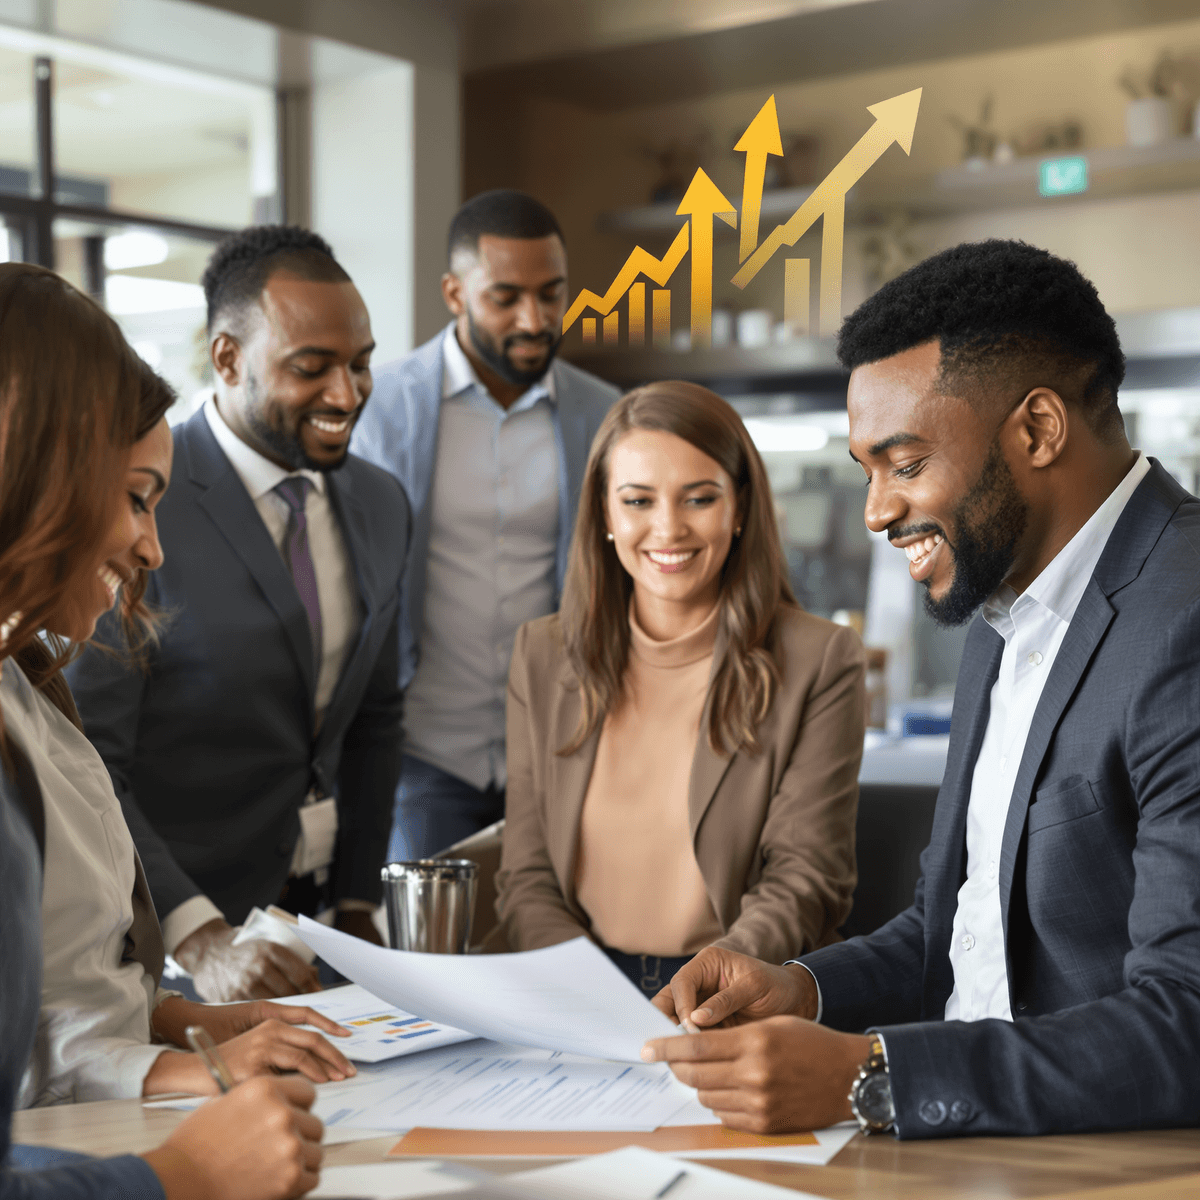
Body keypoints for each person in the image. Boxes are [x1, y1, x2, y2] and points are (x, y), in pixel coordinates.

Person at [643, 240, 1200, 1140]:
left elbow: (1188, 1022)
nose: (874, 511)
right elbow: (964, 917)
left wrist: (875, 1075)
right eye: (866, 471)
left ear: (1038, 430)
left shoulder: (1185, 613)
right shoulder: (1001, 607)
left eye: (903, 464)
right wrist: (805, 987)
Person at [0, 260, 323, 1199]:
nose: (153, 547)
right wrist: (183, 1172)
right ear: (42, 472)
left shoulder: (31, 684)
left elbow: (68, 979)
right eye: (137, 497)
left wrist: (179, 1023)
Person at [66, 226, 411, 1002]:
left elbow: (376, 719)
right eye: (311, 367)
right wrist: (199, 935)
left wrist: (357, 902)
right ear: (227, 359)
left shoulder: (383, 504)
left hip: (316, 930)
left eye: (360, 365)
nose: (346, 394)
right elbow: (92, 761)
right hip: (173, 950)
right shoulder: (141, 502)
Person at [495, 382, 865, 996]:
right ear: (605, 514)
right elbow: (526, 874)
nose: (667, 529)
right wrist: (586, 993)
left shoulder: (820, 660)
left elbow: (806, 878)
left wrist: (711, 982)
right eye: (638, 500)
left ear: (739, 507)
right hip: (578, 984)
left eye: (699, 498)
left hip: (737, 986)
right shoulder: (541, 653)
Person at [350, 189, 619, 861]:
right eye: (505, 298)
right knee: (433, 958)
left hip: (564, 751)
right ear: (453, 292)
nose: (535, 318)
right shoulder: (377, 408)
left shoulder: (605, 413)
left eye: (551, 294)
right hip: (426, 755)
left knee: (559, 957)